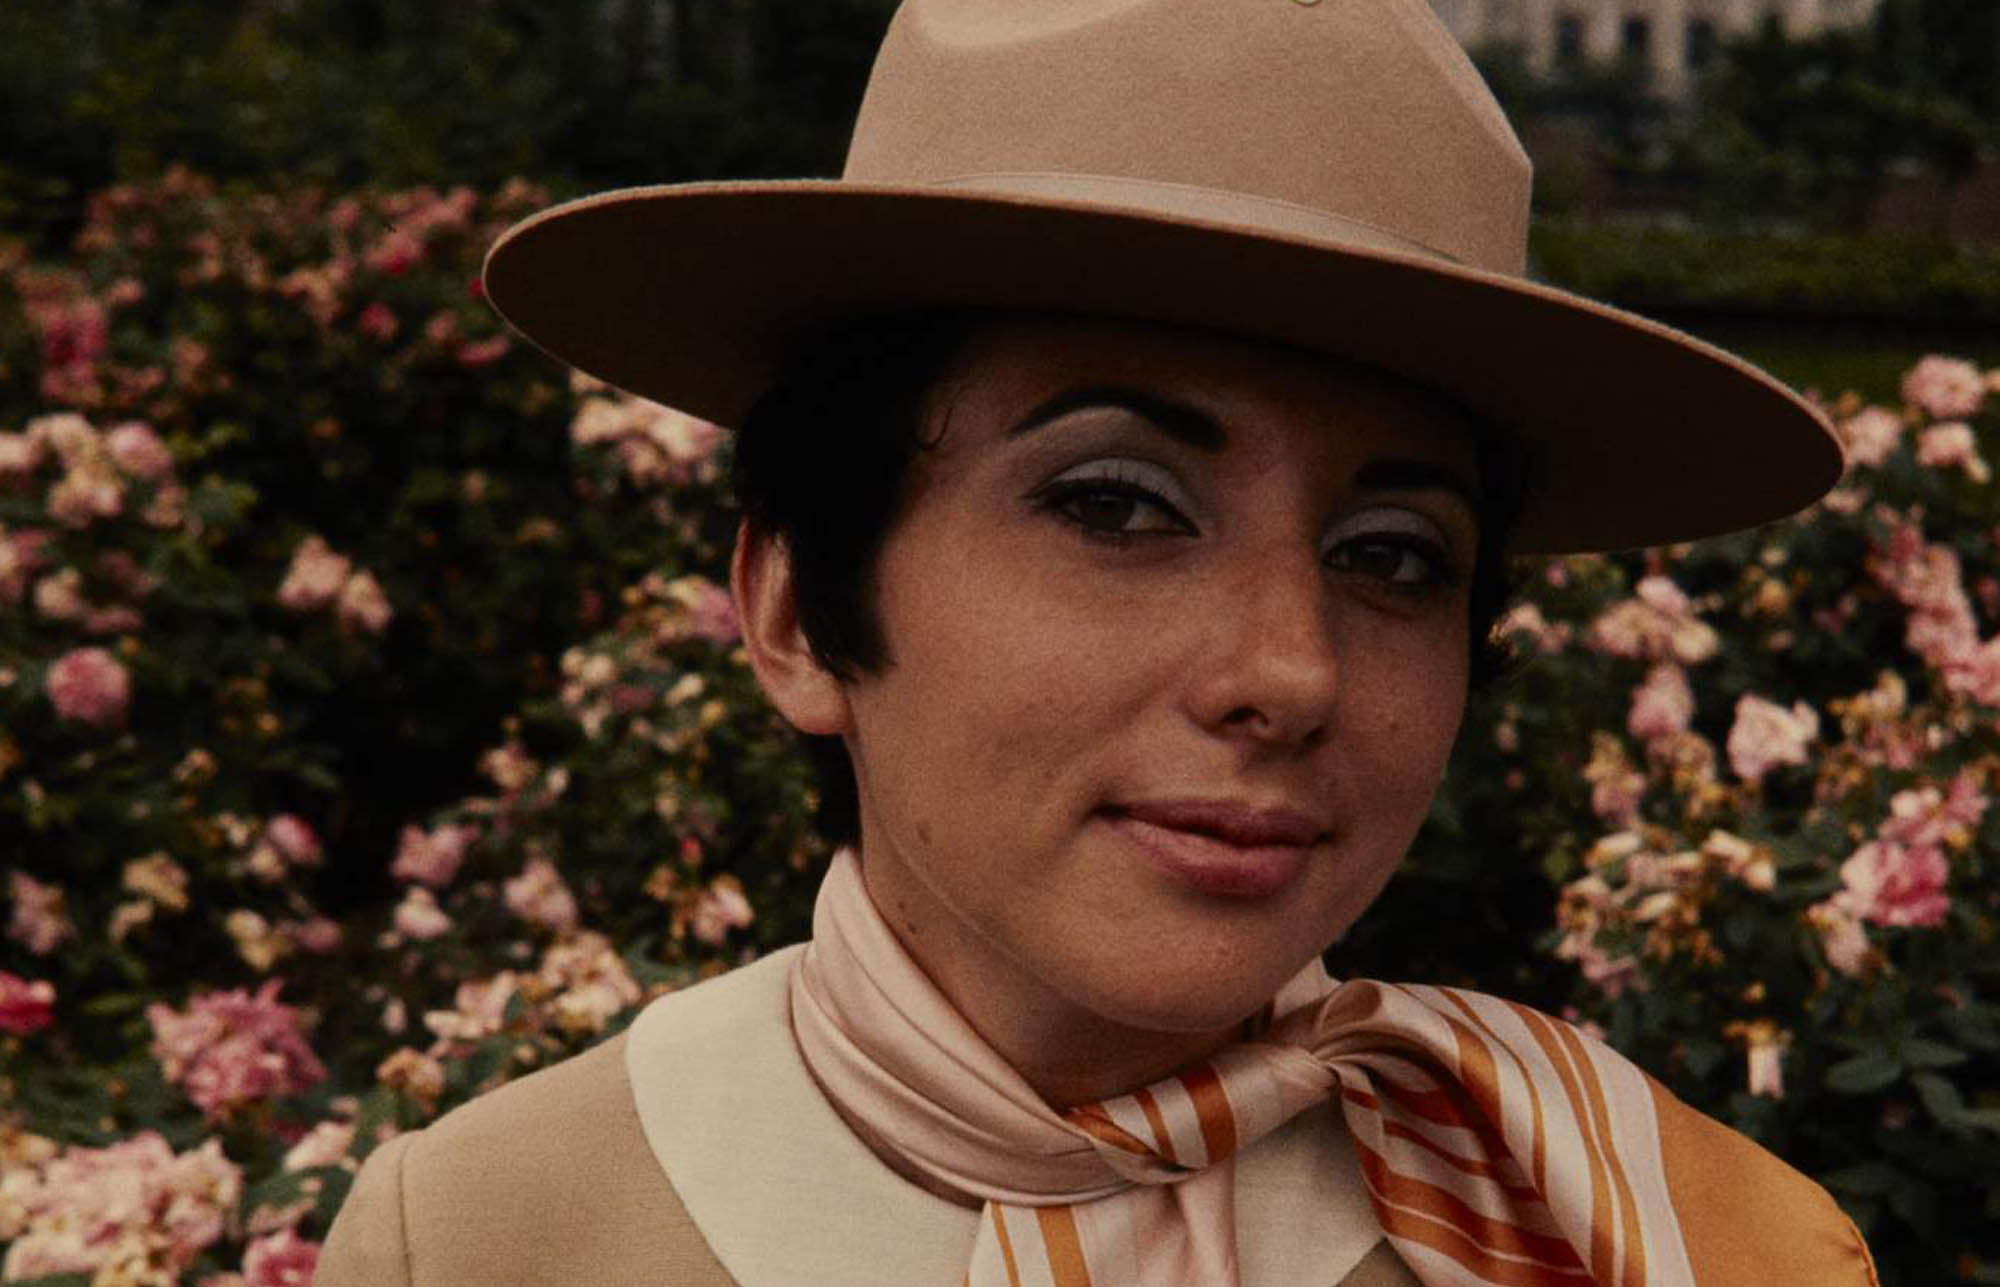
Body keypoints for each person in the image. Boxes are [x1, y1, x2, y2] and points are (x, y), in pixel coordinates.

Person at [318, 0, 1879, 1283]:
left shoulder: (1657, 1233)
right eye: (1119, 507)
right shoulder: (482, 1236)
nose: (1291, 672)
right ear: (796, 608)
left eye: (1395, 556)